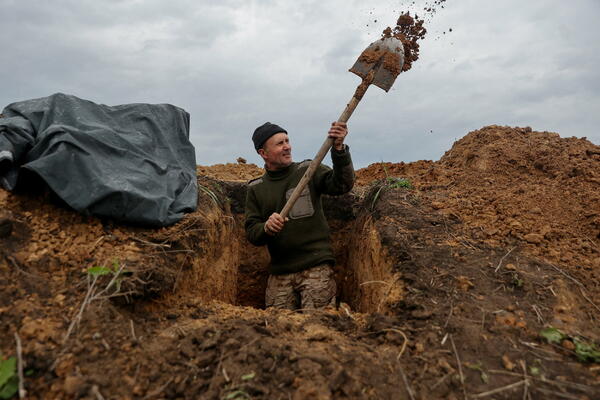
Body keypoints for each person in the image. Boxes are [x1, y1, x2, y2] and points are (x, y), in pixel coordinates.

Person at [244, 121, 355, 310]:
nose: (287, 147)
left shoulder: (307, 170)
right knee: (275, 330)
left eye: (287, 141)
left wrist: (339, 149)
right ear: (263, 153)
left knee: (318, 329)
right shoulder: (256, 189)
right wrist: (266, 228)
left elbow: (342, 185)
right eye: (280, 143)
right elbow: (252, 232)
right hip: (280, 274)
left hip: (316, 269)